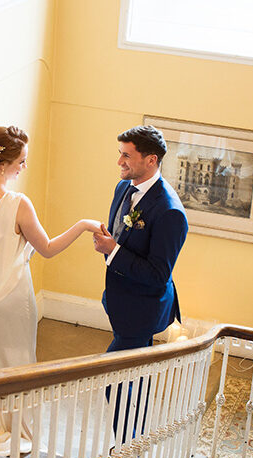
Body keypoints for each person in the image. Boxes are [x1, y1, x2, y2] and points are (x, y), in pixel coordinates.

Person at [0, 125, 101, 453]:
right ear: (4, 163)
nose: (24, 167)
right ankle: (11, 427)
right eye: (21, 161)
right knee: (16, 360)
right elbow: (47, 248)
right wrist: (82, 225)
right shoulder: (17, 203)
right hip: (12, 295)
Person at [92, 125, 188, 439]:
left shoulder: (170, 212)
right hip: (120, 300)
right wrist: (111, 245)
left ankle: (126, 447)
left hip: (143, 308)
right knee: (136, 374)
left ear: (151, 160)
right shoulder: (124, 188)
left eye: (126, 155)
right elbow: (122, 237)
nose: (120, 161)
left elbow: (158, 273)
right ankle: (140, 434)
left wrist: (113, 251)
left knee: (112, 375)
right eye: (120, 153)